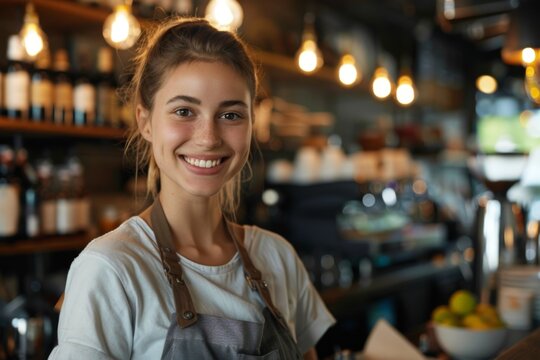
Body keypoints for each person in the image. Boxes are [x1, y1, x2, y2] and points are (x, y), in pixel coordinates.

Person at [49, 17, 335, 360]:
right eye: (184, 111)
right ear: (145, 121)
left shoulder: (277, 258)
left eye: (230, 115)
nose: (208, 138)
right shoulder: (112, 269)